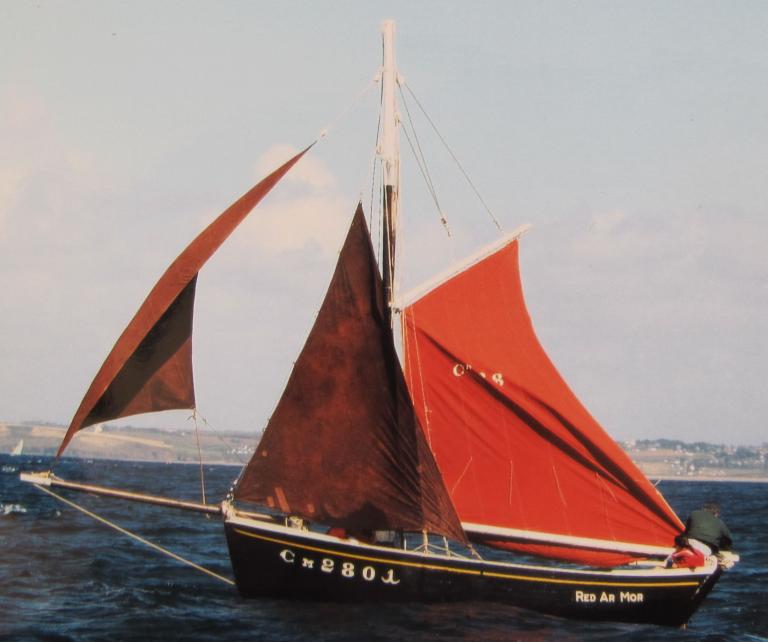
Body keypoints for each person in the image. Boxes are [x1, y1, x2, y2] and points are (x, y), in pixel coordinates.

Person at [668, 502, 733, 569]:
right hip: (705, 549)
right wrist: (722, 549)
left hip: (688, 543)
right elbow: (728, 542)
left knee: (673, 559)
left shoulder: (694, 513)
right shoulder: (721, 524)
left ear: (703, 510)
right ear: (716, 514)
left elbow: (686, 531)